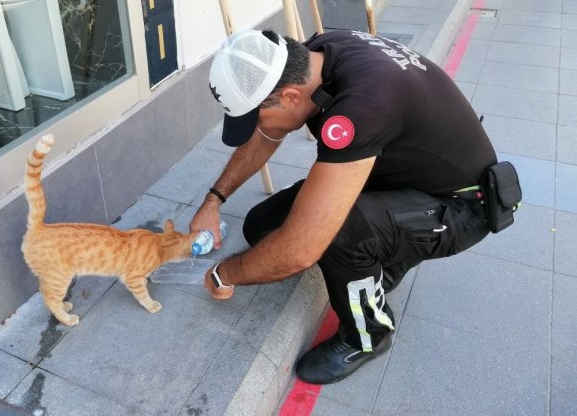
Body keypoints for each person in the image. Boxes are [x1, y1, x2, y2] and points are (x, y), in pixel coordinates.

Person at [191, 28, 511, 385]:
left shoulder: (360, 108)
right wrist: (213, 200)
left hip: (461, 206)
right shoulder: (315, 55)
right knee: (262, 225)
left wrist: (224, 274)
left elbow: (298, 252)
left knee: (340, 230)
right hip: (403, 174)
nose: (257, 128)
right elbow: (268, 134)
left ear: (290, 96)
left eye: (256, 117)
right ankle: (385, 261)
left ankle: (369, 335)